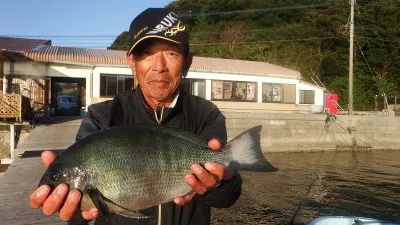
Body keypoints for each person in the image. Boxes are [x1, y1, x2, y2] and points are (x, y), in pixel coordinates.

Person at [29, 7, 242, 225]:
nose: (159, 67)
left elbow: (228, 197)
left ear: (187, 62)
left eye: (172, 53)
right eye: (147, 54)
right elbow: (80, 212)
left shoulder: (206, 115)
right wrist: (75, 213)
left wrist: (218, 184)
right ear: (132, 62)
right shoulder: (102, 116)